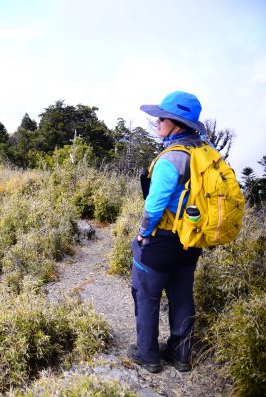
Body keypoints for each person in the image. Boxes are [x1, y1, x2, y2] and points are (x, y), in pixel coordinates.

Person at [128, 91, 204, 373]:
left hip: (161, 241)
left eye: (162, 117)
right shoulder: (203, 155)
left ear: (177, 123)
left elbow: (155, 202)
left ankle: (147, 355)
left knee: (146, 295)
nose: (157, 121)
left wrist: (142, 232)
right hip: (191, 240)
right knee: (182, 294)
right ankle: (181, 355)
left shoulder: (171, 159)